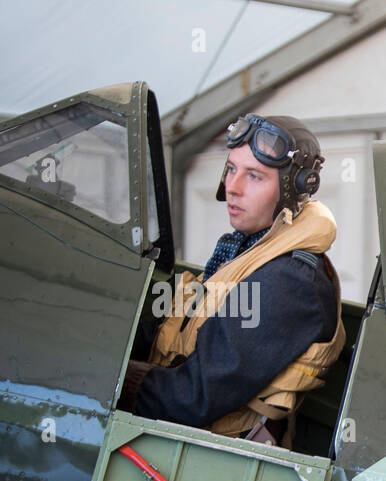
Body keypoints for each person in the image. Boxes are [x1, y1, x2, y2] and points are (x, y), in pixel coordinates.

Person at [121, 114, 345, 447]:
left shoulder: (290, 280)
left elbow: (193, 398)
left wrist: (114, 380)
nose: (233, 187)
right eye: (231, 169)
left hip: (204, 460)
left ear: (295, 189)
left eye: (254, 176)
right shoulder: (245, 251)